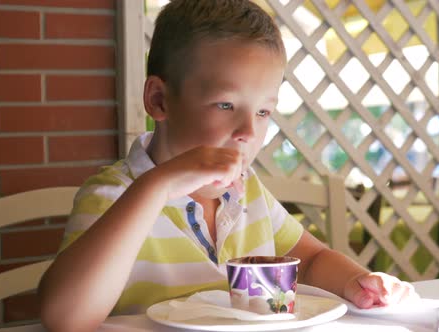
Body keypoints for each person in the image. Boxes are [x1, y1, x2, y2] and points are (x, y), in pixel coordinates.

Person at [38, 1, 417, 330]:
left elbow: (313, 259)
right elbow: (66, 320)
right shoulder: (115, 194)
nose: (249, 131)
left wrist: (358, 281)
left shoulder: (248, 192)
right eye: (225, 105)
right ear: (159, 100)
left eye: (264, 111)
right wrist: (156, 187)